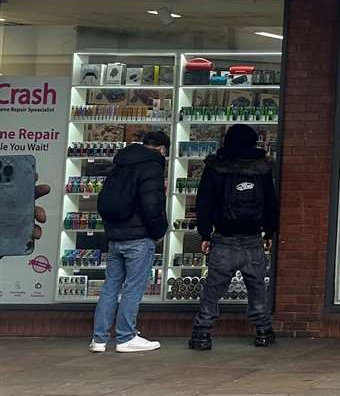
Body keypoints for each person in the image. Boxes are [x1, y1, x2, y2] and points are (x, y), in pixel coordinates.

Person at [188, 124, 278, 350]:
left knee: (213, 288)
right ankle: (263, 330)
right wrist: (269, 231)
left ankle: (202, 333)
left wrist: (205, 233)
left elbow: (204, 202)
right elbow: (270, 202)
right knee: (257, 286)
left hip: (224, 237)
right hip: (253, 238)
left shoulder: (216, 167)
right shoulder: (262, 167)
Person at [92, 129, 169, 354]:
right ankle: (126, 337)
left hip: (115, 236)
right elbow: (152, 205)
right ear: (162, 149)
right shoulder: (152, 168)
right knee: (133, 287)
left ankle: (99, 339)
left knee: (110, 287)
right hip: (139, 237)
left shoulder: (120, 165)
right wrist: (158, 231)